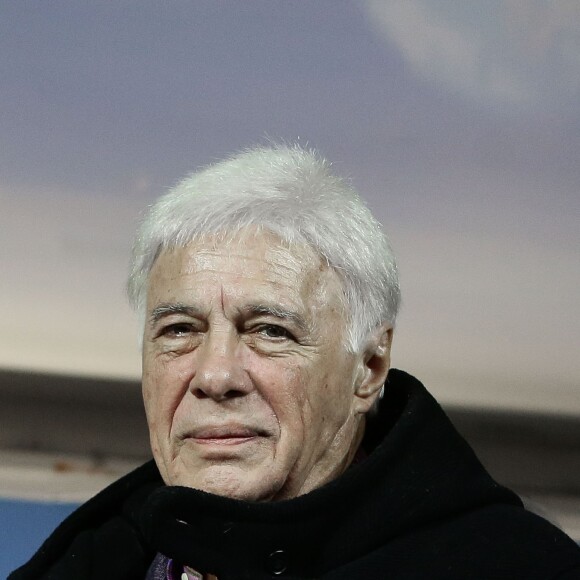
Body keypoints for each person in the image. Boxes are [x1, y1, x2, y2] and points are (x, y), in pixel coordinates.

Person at [11, 145, 580, 579]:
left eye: (269, 331)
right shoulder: (82, 563)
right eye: (180, 330)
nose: (214, 377)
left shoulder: (519, 568)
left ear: (370, 367)